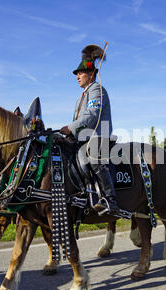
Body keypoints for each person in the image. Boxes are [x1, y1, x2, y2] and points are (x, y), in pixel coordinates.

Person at [59, 44, 120, 215]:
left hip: (99, 137)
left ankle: (110, 200)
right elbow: (79, 120)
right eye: (76, 74)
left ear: (91, 74)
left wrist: (70, 128)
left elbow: (92, 115)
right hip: (83, 138)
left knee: (93, 157)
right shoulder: (82, 95)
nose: (77, 76)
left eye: (81, 73)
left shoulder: (97, 90)